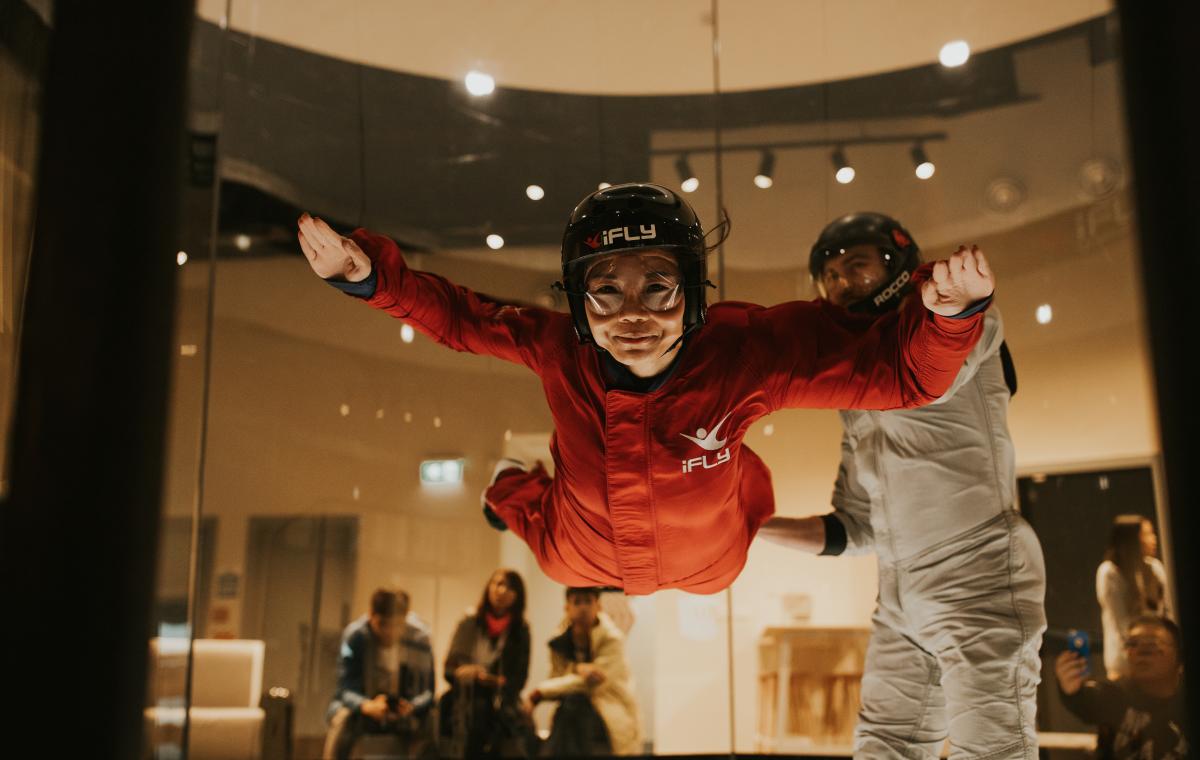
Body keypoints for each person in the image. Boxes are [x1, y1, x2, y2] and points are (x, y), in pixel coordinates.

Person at [297, 183, 995, 595]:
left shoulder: (743, 353)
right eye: (606, 293)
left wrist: (951, 315)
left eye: (657, 288)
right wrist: (371, 279)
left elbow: (903, 376)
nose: (632, 316)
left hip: (711, 556)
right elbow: (458, 316)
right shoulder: (557, 348)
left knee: (733, 516)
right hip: (582, 549)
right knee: (534, 532)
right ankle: (508, 483)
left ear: (691, 292)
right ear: (578, 300)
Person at [758, 212, 1046, 759]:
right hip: (899, 591)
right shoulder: (856, 384)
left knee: (993, 750)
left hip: (976, 571)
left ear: (896, 265)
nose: (843, 283)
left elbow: (939, 359)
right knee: (884, 746)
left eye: (856, 267)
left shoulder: (954, 327)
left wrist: (956, 306)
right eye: (832, 276)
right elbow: (856, 525)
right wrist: (753, 527)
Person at [323, 588, 436, 760]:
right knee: (341, 718)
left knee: (432, 723)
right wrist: (366, 705)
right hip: (365, 708)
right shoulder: (355, 636)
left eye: (397, 625)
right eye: (383, 624)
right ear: (371, 616)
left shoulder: (419, 638)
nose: (389, 632)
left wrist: (411, 706)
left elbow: (428, 690)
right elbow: (344, 688)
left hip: (406, 710)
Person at [1055, 615, 1189, 759]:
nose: (1140, 652)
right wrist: (1071, 689)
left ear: (1178, 656)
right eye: (1132, 643)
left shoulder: (1189, 706)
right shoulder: (1116, 696)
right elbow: (1088, 701)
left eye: (1152, 643)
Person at [528, 587, 641, 756]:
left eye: (588, 601)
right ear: (567, 607)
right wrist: (578, 669)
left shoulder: (612, 639)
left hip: (609, 709)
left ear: (598, 605)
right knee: (571, 707)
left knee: (574, 708)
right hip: (570, 711)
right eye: (577, 602)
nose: (583, 608)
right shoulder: (558, 641)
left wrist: (539, 693)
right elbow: (556, 679)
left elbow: (595, 684)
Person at [440, 569, 535, 758]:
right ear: (488, 588)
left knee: (519, 728)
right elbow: (449, 669)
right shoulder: (469, 622)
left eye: (509, 587)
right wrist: (469, 673)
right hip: (465, 697)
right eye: (497, 584)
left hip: (502, 702)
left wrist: (495, 680)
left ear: (518, 596)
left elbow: (519, 679)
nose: (501, 591)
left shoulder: (520, 630)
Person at [1098, 514, 1171, 680]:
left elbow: (1166, 612)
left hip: (1157, 661)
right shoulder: (1110, 572)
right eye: (1146, 534)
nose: (1154, 539)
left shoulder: (1155, 568)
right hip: (1125, 664)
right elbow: (1122, 623)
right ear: (1131, 540)